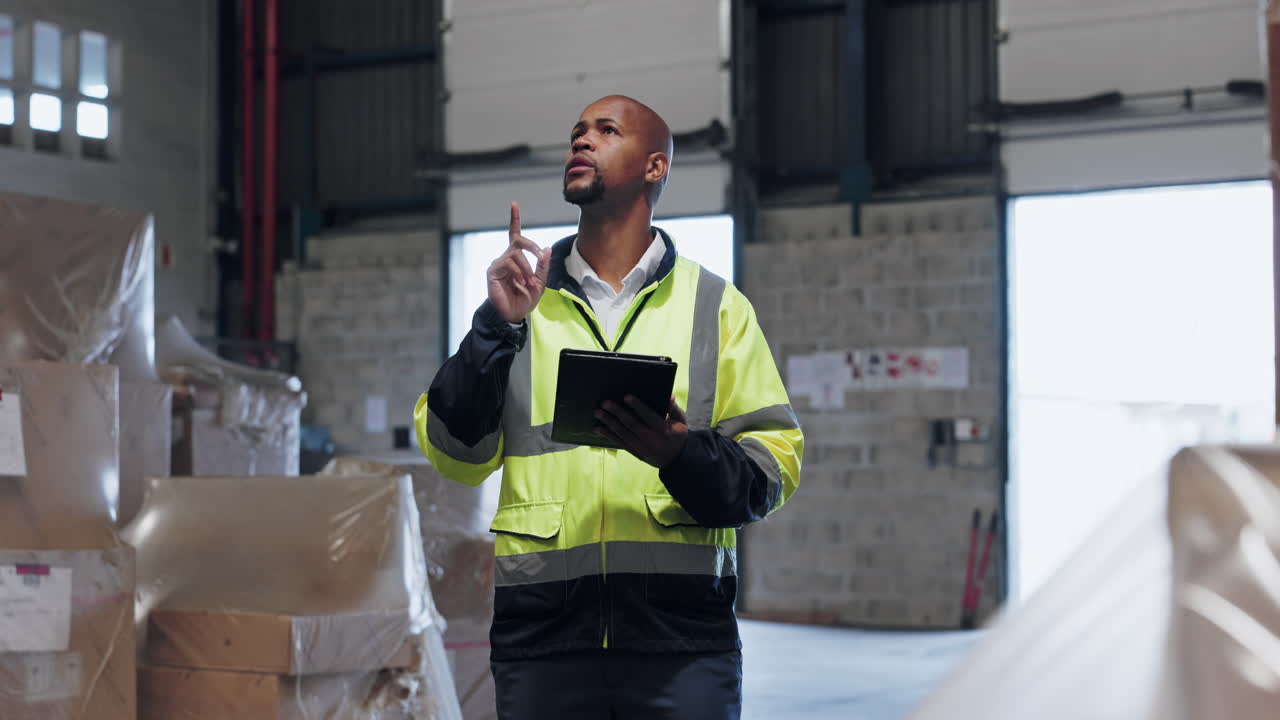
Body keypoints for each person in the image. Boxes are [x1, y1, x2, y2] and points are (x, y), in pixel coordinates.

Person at [414, 95, 803, 720]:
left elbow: (770, 470)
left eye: (606, 130)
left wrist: (681, 455)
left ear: (654, 167)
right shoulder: (520, 304)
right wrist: (493, 326)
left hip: (681, 645)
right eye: (577, 132)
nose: (582, 140)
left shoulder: (716, 306)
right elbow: (453, 454)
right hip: (543, 643)